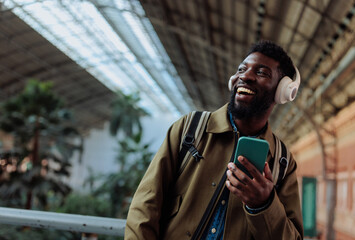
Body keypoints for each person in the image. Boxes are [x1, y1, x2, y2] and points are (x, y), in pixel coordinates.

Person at [125, 40, 304, 240]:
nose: (245, 76)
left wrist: (264, 205)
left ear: (282, 91)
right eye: (241, 69)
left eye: (262, 72)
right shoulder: (189, 129)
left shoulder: (282, 163)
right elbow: (145, 205)